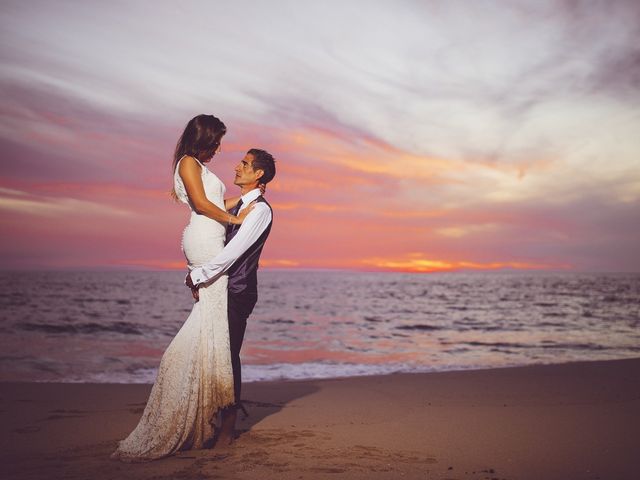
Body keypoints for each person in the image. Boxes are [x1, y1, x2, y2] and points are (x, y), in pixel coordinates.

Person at [111, 114, 253, 462]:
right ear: (203, 138)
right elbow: (204, 205)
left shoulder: (199, 166)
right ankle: (187, 386)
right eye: (216, 142)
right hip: (204, 240)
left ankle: (207, 407)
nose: (219, 149)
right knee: (209, 324)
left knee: (211, 325)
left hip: (210, 235)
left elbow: (217, 204)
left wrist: (250, 199)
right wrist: (237, 221)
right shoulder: (188, 163)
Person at [185, 148, 276, 447]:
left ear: (259, 174)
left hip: (238, 291)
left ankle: (228, 427)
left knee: (228, 357)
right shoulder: (237, 207)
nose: (237, 166)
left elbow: (232, 254)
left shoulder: (261, 211)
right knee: (214, 355)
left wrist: (199, 276)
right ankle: (213, 418)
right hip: (222, 287)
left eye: (246, 164)